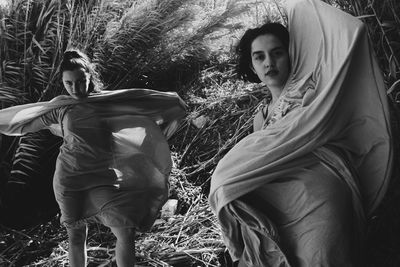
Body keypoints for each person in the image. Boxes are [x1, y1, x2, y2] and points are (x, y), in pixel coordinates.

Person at [209, 0, 392, 266]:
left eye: (277, 52)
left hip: (321, 197)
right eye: (259, 57)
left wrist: (297, 5)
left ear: (291, 54)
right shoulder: (260, 119)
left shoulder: (309, 91)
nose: (269, 62)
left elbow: (353, 29)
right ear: (252, 67)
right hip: (282, 208)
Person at [0, 49, 186, 266]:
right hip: (70, 178)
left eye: (80, 81)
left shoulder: (108, 103)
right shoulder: (61, 108)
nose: (75, 88)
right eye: (69, 83)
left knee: (125, 232)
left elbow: (149, 110)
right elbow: (23, 121)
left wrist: (169, 116)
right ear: (62, 82)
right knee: (77, 237)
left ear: (90, 76)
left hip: (104, 177)